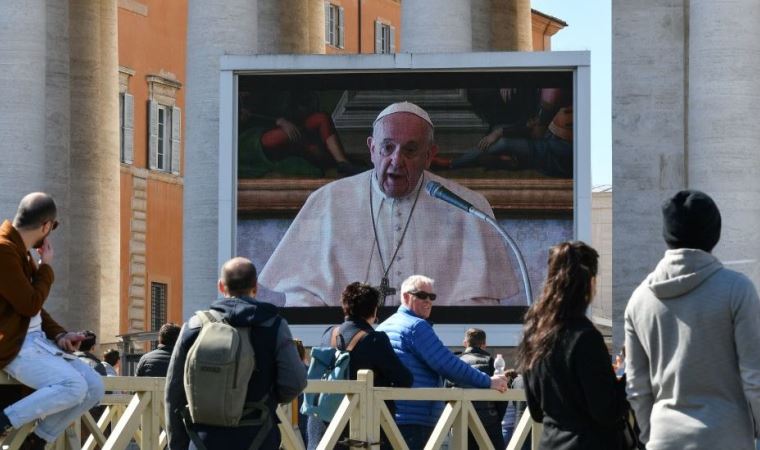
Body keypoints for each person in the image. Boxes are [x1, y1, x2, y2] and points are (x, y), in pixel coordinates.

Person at [259, 101, 518, 307]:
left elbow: (481, 301)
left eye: (410, 150)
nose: (397, 160)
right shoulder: (326, 201)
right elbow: (301, 294)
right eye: (387, 147)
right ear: (372, 149)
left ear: (430, 156)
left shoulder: (468, 206)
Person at [625, 190, 760, 450]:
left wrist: (652, 436)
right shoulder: (737, 290)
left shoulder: (639, 300)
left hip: (663, 439)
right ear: (714, 233)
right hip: (725, 438)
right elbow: (754, 377)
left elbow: (637, 388)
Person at [165, 257, 307, 449]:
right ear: (255, 287)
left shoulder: (194, 327)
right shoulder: (274, 325)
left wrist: (178, 445)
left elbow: (174, 394)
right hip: (258, 438)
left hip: (202, 440)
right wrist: (268, 397)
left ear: (221, 286)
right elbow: (294, 383)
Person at [0, 193, 105, 449]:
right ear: (46, 226)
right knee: (73, 385)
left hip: (35, 343)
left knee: (94, 386)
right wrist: (46, 266)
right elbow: (30, 303)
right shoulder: (4, 251)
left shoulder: (20, 252)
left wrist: (60, 335)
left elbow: (35, 311)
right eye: (52, 228)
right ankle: (3, 420)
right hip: (15, 347)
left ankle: (36, 440)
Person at [376, 275, 509, 449]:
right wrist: (488, 381)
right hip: (415, 421)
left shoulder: (384, 326)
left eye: (432, 297)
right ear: (406, 296)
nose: (428, 301)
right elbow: (447, 364)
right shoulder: (416, 326)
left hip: (388, 416)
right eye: (422, 295)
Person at [518, 241, 628, 450]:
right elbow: (607, 411)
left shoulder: (533, 333)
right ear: (590, 283)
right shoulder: (585, 337)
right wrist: (627, 371)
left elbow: (536, 411)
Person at [307, 282, 413, 449]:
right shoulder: (375, 339)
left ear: (345, 306)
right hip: (358, 434)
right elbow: (405, 379)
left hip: (322, 428)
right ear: (374, 309)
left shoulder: (329, 334)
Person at [448, 328, 507, 450]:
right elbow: (502, 396)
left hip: (461, 420)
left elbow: (447, 394)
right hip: (489, 422)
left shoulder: (454, 363)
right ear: (484, 344)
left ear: (465, 343)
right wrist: (496, 417)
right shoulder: (491, 362)